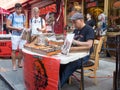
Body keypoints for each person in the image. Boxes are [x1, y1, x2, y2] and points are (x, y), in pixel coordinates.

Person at [60, 12, 94, 87]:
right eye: (73, 23)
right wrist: (67, 41)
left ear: (81, 20)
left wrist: (75, 42)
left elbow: (89, 44)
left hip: (84, 55)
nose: (74, 25)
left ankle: (57, 86)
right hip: (76, 53)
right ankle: (59, 82)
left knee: (70, 65)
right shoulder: (76, 30)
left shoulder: (89, 29)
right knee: (61, 63)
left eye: (75, 22)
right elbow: (72, 42)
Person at [6, 3, 26, 71]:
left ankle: (19, 63)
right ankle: (14, 65)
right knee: (14, 50)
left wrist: (24, 29)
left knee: (21, 50)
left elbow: (24, 25)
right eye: (18, 9)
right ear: (15, 9)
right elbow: (7, 26)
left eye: (20, 9)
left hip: (22, 35)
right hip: (15, 35)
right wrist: (16, 29)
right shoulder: (11, 16)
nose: (19, 10)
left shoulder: (23, 16)